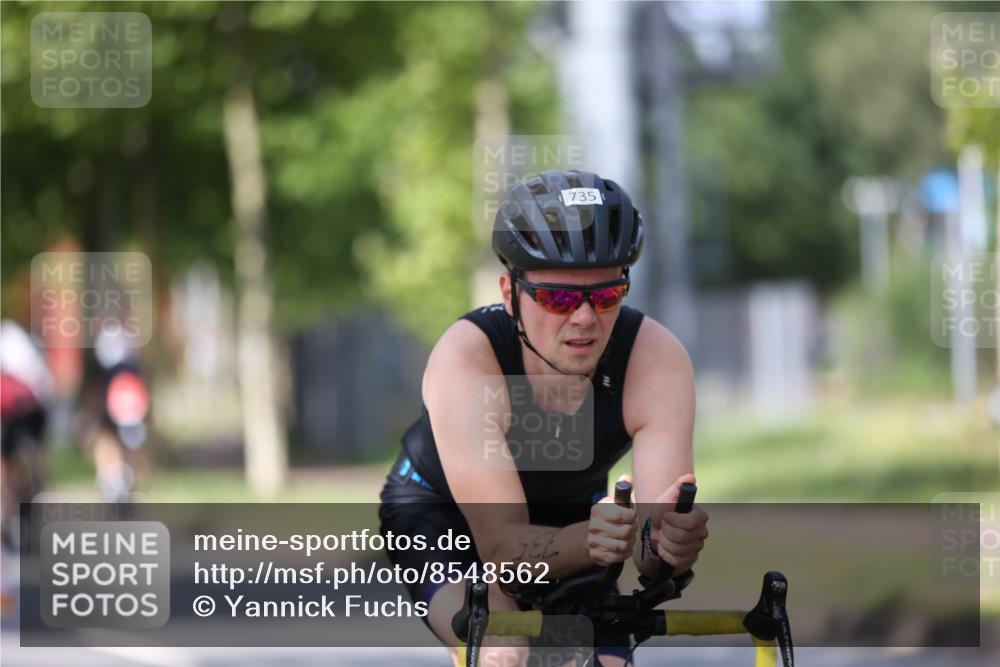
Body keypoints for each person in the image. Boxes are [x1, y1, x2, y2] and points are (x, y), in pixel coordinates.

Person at [379, 170, 708, 666]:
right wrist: (592, 540)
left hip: (576, 515)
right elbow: (501, 549)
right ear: (510, 293)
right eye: (557, 297)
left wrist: (667, 545)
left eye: (605, 296)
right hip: (444, 518)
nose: (583, 318)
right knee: (502, 647)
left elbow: (649, 551)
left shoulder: (655, 360)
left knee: (607, 660)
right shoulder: (468, 360)